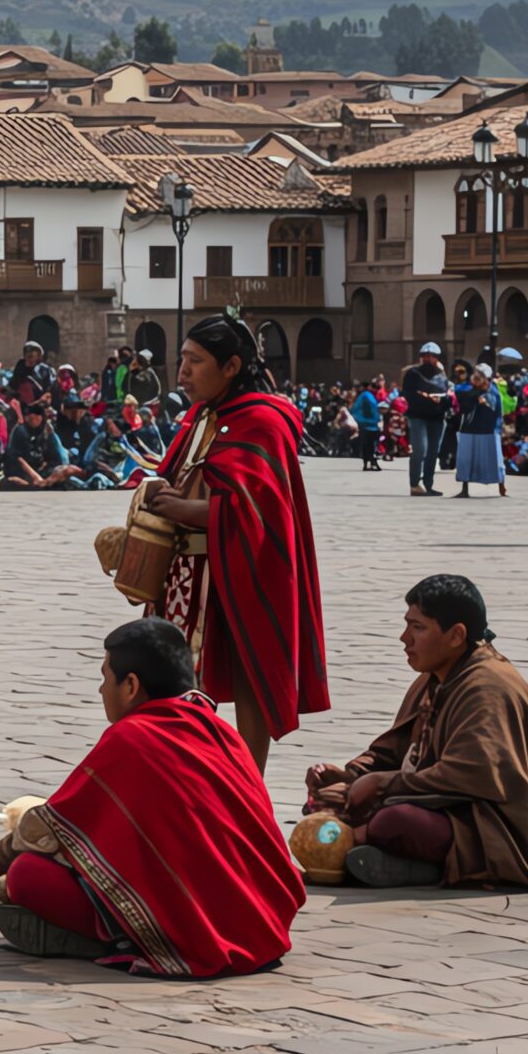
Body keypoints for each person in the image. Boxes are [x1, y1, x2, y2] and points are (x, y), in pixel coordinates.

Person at [0, 618, 301, 977]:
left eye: (104, 677)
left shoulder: (133, 737)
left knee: (26, 874)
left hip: (200, 932)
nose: (100, 690)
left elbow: (52, 822)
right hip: (264, 919)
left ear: (131, 685)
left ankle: (117, 937)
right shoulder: (220, 730)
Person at [140, 314, 328, 772]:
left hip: (242, 573)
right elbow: (181, 477)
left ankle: (247, 785)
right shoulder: (204, 414)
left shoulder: (263, 421)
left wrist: (180, 509)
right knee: (179, 684)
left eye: (195, 360)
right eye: (182, 359)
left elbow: (261, 513)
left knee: (251, 674)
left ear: (231, 367)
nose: (181, 371)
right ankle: (184, 777)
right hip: (188, 579)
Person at [303, 575, 528, 890]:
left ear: (457, 635)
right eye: (407, 625)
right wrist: (349, 775)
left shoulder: (488, 687)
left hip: (493, 831)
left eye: (418, 627)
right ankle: (388, 858)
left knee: (393, 822)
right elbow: (394, 751)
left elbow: (472, 774)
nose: (405, 638)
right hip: (429, 801)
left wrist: (380, 784)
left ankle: (400, 859)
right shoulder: (435, 676)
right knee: (321, 803)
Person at [400, 341, 452, 496]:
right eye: (425, 356)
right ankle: (415, 484)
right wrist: (427, 398)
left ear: (437, 358)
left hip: (437, 419)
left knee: (432, 452)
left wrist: (442, 400)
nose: (428, 359)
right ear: (421, 357)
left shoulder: (442, 377)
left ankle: (428, 484)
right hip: (418, 417)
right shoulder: (413, 374)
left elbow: (449, 398)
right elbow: (408, 394)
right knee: (419, 450)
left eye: (432, 356)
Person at [452, 364, 506, 497]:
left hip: (489, 430)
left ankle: (502, 487)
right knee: (466, 459)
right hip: (469, 429)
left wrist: (497, 429)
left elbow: (497, 410)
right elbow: (463, 407)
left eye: (481, 376)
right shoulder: (468, 390)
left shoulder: (493, 391)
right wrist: (475, 398)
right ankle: (465, 489)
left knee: (496, 459)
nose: (477, 378)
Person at [0, 405, 81, 491]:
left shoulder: (46, 431)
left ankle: (44, 484)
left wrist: (52, 434)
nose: (34, 419)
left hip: (40, 470)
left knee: (69, 470)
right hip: (23, 472)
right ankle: (37, 485)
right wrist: (36, 477)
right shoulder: (20, 431)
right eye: (31, 416)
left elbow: (57, 458)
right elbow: (17, 459)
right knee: (9, 482)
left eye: (37, 416)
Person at [351, 381, 383, 471]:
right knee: (369, 445)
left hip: (370, 425)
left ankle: (369, 462)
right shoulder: (366, 396)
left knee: (369, 445)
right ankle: (370, 462)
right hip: (368, 425)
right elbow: (357, 409)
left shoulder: (368, 396)